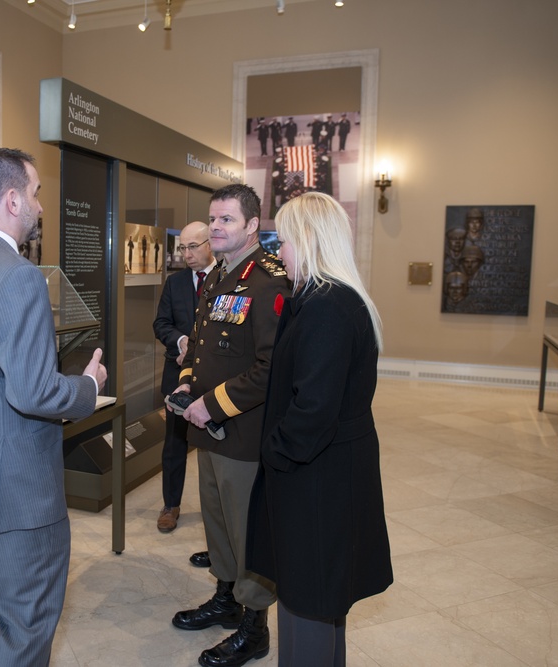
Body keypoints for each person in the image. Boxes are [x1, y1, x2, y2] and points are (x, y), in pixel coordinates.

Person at [0, 148, 108, 667]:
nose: (40, 207)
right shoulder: (18, 276)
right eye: (35, 194)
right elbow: (30, 393)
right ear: (11, 200)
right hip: (15, 495)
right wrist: (87, 388)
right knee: (26, 629)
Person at [247, 192, 392, 666]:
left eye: (283, 242)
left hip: (316, 482)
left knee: (307, 605)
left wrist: (275, 453)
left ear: (307, 240)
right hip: (330, 475)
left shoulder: (328, 307)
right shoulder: (328, 299)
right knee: (324, 602)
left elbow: (313, 408)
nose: (278, 252)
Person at [171, 183, 290, 667]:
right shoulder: (219, 275)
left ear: (251, 226)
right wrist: (184, 388)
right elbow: (197, 348)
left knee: (246, 530)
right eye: (212, 219)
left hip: (243, 434)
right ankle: (226, 598)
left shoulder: (267, 280)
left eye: (226, 221)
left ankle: (254, 626)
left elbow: (271, 367)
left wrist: (212, 405)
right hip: (206, 428)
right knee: (218, 522)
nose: (215, 227)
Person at [153, 221, 216, 533]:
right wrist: (180, 343)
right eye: (183, 248)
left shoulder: (227, 278)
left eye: (193, 246)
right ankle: (170, 504)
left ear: (210, 244)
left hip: (216, 379)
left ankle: (217, 514)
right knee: (174, 443)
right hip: (177, 376)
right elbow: (161, 323)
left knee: (215, 446)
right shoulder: (175, 283)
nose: (187, 254)